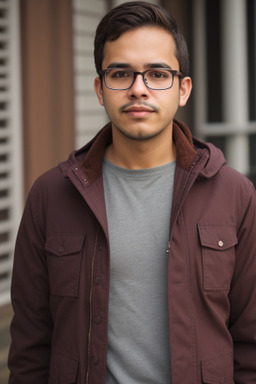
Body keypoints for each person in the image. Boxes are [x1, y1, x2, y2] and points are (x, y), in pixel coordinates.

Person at [8, 1, 256, 383]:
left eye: (158, 74)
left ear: (183, 89)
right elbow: (30, 347)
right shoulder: (50, 196)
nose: (138, 89)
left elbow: (249, 343)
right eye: (121, 73)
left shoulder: (234, 195)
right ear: (100, 89)